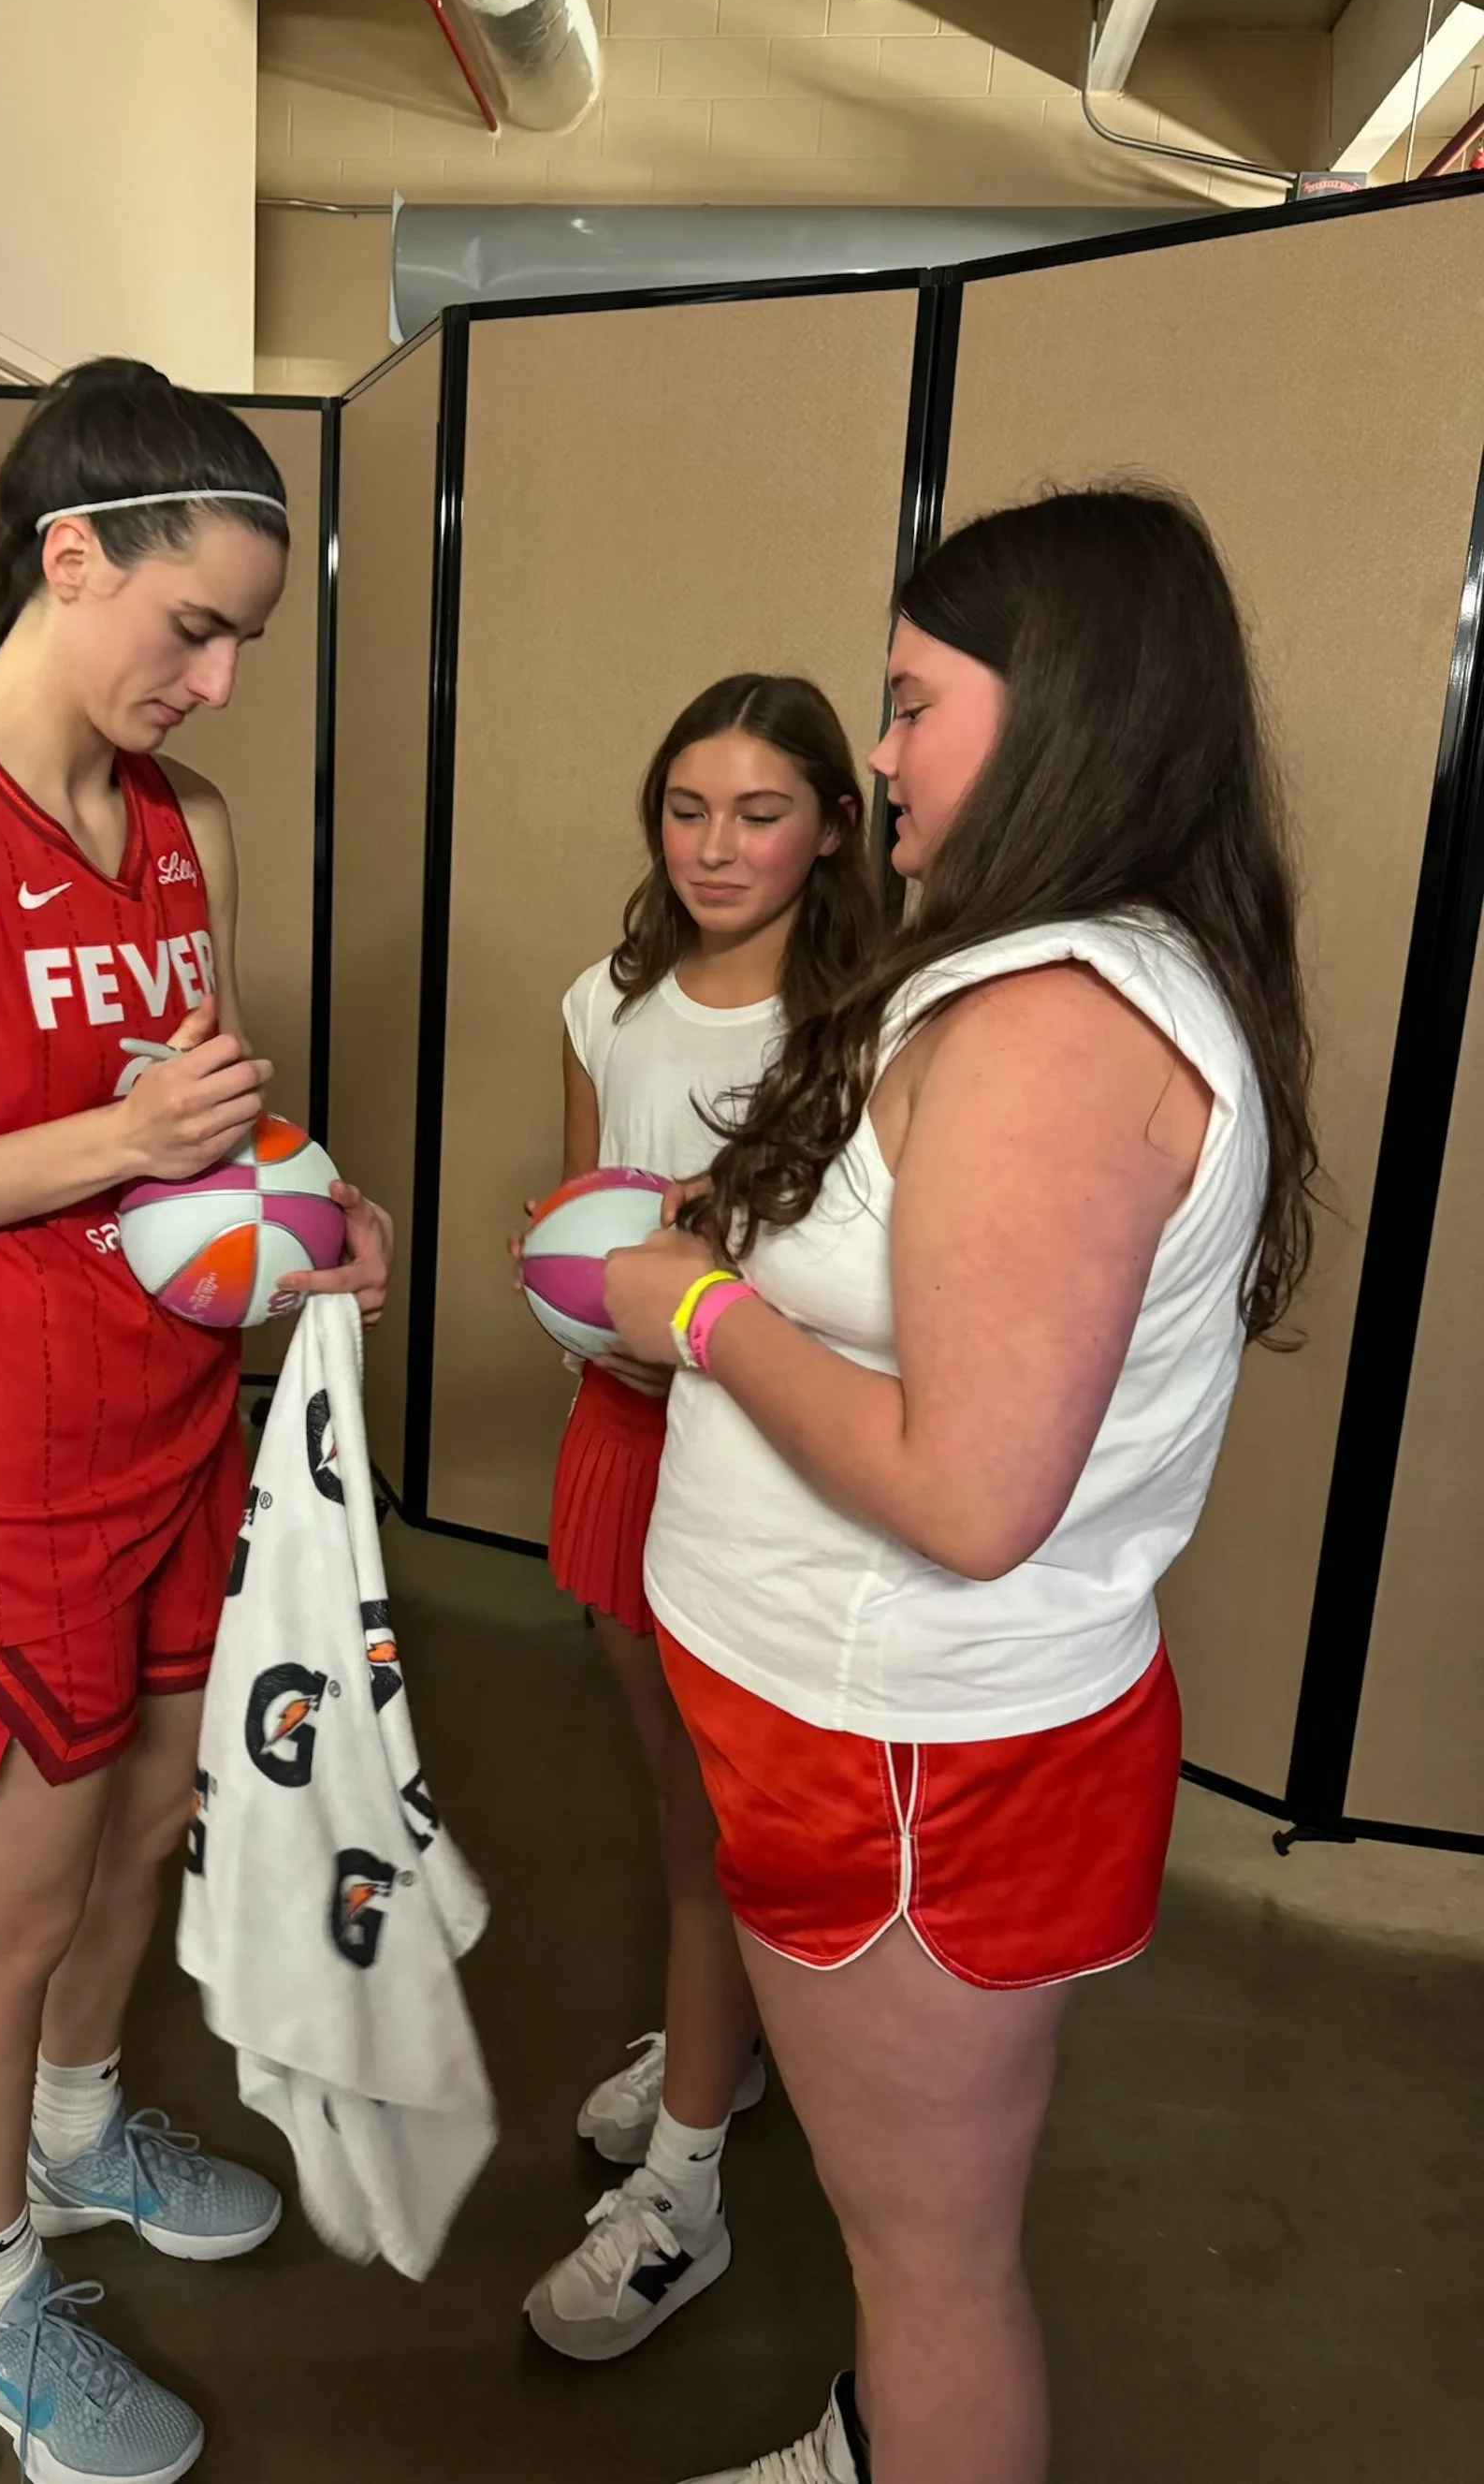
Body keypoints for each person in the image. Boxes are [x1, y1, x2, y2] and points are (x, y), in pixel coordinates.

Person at [604, 488, 1316, 2484]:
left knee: (929, 2266)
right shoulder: (1041, 974)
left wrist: (698, 1309)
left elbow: (975, 1492)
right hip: (852, 1729)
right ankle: (869, 2444)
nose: (883, 753)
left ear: (1068, 711)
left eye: (915, 705)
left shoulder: (1053, 1026)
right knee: (902, 2245)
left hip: (907, 1758)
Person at [0, 358, 393, 2484]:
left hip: (176, 1440)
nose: (211, 681)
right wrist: (97, 1139)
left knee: (140, 1838)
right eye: (188, 624)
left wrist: (296, 1198)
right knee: (3, 1917)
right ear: (71, 555)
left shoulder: (183, 829)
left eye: (242, 645)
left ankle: (87, 2129)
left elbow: (183, 1144)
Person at [516, 676, 880, 2362]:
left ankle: (688, 2180)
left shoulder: (868, 1017)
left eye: (761, 810)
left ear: (830, 824)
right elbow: (584, 1233)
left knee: (731, 1822)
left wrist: (710, 1318)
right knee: (678, 1806)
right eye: (687, 808)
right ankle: (708, 2033)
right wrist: (582, 1283)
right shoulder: (604, 997)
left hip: (764, 1452)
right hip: (620, 1437)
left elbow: (868, 1285)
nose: (718, 845)